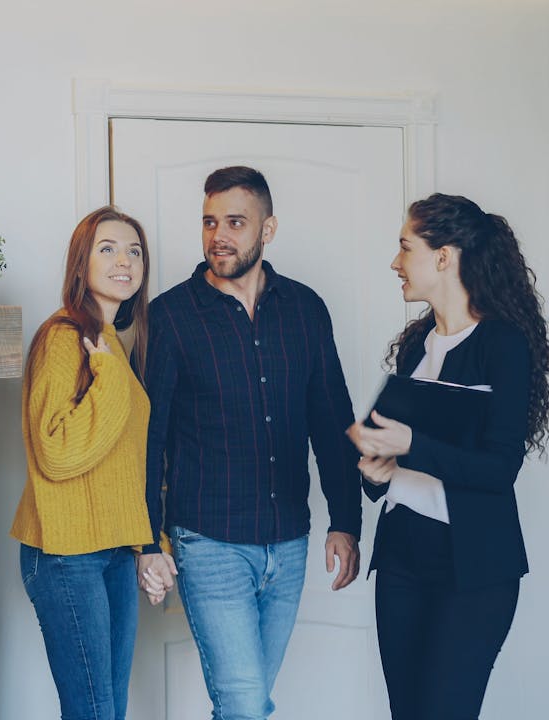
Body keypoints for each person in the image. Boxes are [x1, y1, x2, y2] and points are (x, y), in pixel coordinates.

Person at [138, 166, 362, 720]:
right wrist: (147, 540)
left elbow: (333, 420)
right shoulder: (170, 316)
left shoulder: (306, 310)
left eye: (236, 222)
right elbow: (150, 436)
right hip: (208, 541)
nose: (220, 235)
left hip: (288, 543)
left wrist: (346, 520)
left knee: (247, 704)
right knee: (243, 704)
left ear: (268, 228)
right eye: (210, 221)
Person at [346, 193, 549, 719]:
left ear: (444, 256)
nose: (395, 263)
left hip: (472, 569)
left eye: (405, 247)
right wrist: (377, 471)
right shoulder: (415, 345)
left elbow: (498, 469)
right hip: (401, 556)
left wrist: (411, 447)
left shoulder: (502, 344)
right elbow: (394, 471)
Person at [10, 206, 156, 720]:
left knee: (107, 711)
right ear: (81, 264)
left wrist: (145, 546)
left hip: (112, 549)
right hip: (68, 553)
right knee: (93, 713)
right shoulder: (64, 337)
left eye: (134, 251)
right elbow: (58, 452)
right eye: (108, 248)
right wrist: (111, 376)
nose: (125, 261)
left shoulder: (110, 341)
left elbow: (121, 462)